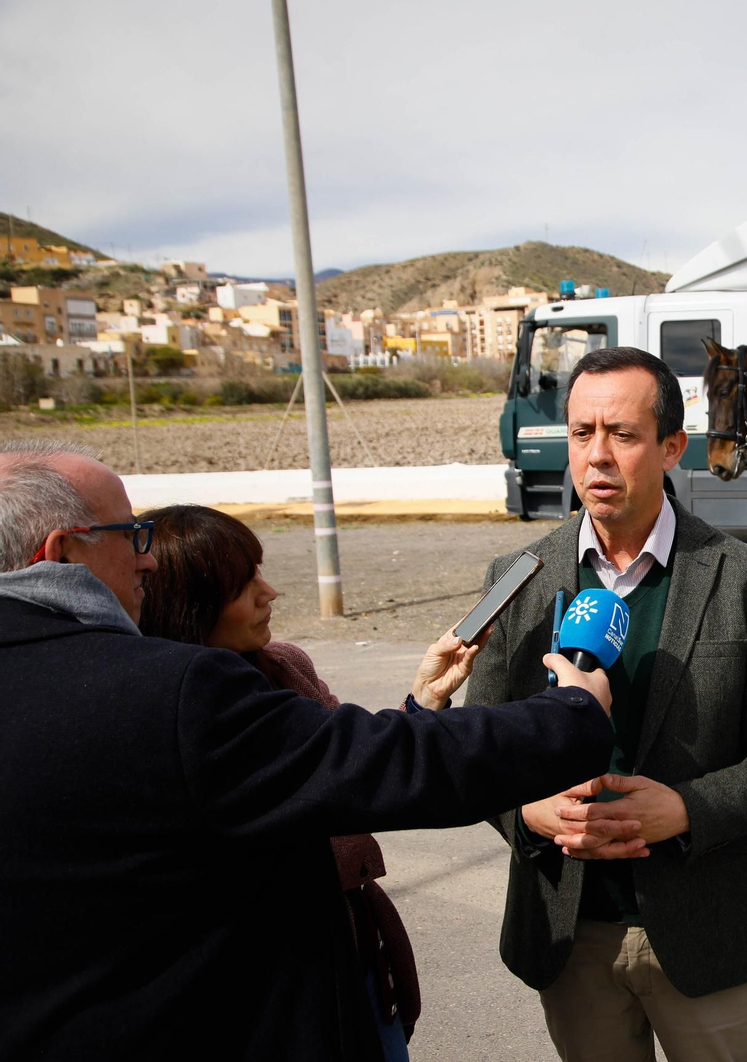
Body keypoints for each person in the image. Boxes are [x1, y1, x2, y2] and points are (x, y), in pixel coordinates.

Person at [0, 440, 616, 1061]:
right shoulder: (170, 693)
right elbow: (373, 767)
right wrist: (572, 714)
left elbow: (336, 767)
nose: (147, 560)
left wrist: (421, 704)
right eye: (126, 535)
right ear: (59, 552)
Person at [465, 347, 747, 1062]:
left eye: (622, 435)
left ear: (671, 447)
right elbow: (478, 750)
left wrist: (686, 810)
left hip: (707, 935)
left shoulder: (745, 578)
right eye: (581, 433)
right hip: (571, 937)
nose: (597, 457)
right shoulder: (514, 580)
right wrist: (528, 815)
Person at [136, 503, 471, 1061]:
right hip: (258, 984)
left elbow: (357, 776)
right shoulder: (159, 711)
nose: (270, 593)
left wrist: (426, 700)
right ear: (188, 605)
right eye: (244, 585)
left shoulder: (286, 667)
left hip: (353, 950)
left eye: (261, 573)